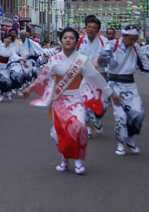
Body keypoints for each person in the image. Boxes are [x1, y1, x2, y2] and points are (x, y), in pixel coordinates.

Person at [22, 28, 120, 175]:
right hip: (59, 99)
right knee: (60, 133)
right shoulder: (54, 60)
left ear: (76, 41)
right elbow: (43, 77)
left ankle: (78, 160)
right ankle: (64, 159)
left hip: (77, 99)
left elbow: (95, 77)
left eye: (71, 38)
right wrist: (30, 89)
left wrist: (111, 93)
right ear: (61, 40)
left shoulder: (81, 60)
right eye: (65, 38)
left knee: (79, 127)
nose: (68, 40)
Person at [96, 25, 149, 156]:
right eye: (131, 39)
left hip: (130, 85)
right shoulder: (112, 45)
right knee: (121, 116)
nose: (133, 42)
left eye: (135, 39)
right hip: (114, 84)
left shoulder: (136, 47)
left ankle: (129, 138)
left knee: (138, 113)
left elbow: (146, 65)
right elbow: (100, 61)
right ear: (124, 36)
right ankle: (121, 143)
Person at [76, 15, 108, 136]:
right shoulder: (79, 40)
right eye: (88, 27)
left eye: (93, 27)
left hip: (100, 76)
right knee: (85, 101)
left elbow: (109, 57)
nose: (90, 29)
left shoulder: (103, 41)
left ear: (98, 29)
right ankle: (87, 126)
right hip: (83, 76)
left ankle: (97, 118)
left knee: (103, 103)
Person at [0, 34, 22, 102]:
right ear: (4, 39)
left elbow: (15, 56)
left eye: (9, 39)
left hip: (6, 66)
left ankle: (8, 92)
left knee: (7, 80)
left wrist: (22, 58)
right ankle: (1, 96)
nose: (8, 40)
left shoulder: (11, 48)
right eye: (7, 38)